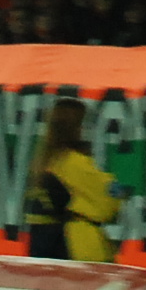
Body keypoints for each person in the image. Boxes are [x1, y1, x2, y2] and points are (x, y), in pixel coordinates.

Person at [24, 96, 120, 263]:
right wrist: (119, 189)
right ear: (78, 127)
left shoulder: (41, 162)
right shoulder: (73, 162)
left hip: (43, 248)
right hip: (77, 248)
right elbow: (108, 202)